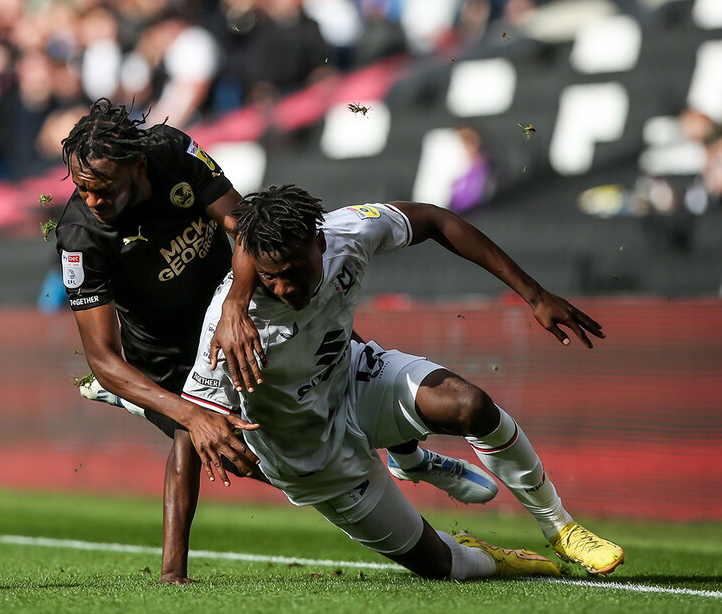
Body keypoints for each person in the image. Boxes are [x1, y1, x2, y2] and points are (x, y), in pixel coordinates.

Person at [55, 100, 492, 584]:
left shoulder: (172, 152)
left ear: (137, 166)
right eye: (81, 189)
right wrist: (193, 413)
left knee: (336, 352)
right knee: (214, 442)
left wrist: (236, 305)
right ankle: (172, 570)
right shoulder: (80, 235)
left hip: (238, 312)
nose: (92, 200)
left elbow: (244, 223)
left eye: (103, 189)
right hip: (169, 355)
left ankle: (411, 458)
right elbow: (101, 357)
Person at [181, 185, 625, 578]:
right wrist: (225, 441)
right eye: (268, 276)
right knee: (443, 567)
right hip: (313, 452)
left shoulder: (347, 231)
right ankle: (481, 550)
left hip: (353, 378)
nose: (282, 288)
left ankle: (560, 525)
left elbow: (435, 219)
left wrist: (535, 294)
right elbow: (201, 417)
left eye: (294, 271)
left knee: (468, 404)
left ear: (320, 241)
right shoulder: (230, 327)